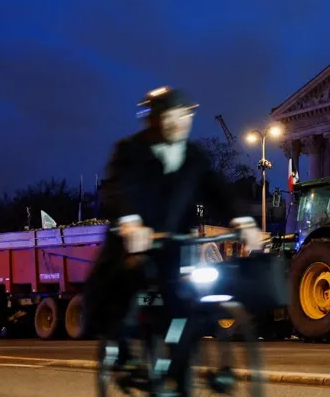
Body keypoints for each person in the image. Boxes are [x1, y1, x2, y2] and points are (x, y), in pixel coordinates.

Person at [85, 86, 260, 394]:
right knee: (126, 289)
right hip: (133, 244)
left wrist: (243, 221)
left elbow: (219, 190)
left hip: (174, 248)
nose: (180, 122)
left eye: (185, 115)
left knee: (186, 306)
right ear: (155, 120)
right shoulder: (129, 150)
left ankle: (179, 376)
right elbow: (115, 189)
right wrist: (129, 222)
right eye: (171, 116)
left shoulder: (194, 156)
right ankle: (123, 353)